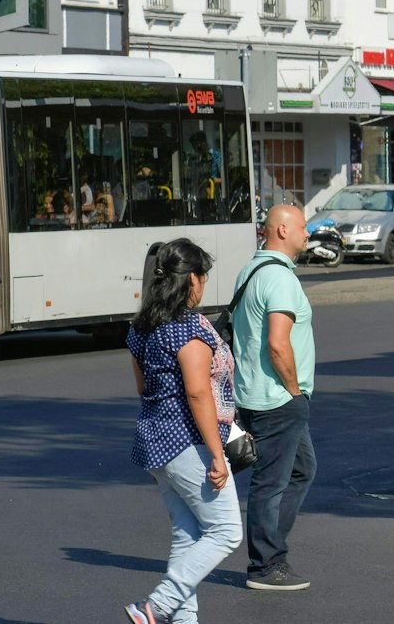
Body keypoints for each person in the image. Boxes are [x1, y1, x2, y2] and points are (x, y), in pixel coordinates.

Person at [122, 239, 242, 624]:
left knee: (187, 536)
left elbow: (143, 387)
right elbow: (198, 392)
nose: (204, 284)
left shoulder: (142, 327)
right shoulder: (188, 329)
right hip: (187, 442)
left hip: (156, 443)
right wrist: (217, 455)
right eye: (203, 276)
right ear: (192, 279)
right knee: (226, 531)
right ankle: (155, 607)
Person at [232, 204, 317, 592]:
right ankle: (265, 565)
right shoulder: (280, 279)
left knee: (302, 469)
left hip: (255, 393)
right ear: (282, 230)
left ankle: (272, 551)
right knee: (270, 482)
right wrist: (296, 392)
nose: (307, 233)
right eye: (302, 226)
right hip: (278, 398)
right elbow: (278, 343)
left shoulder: (250, 270)